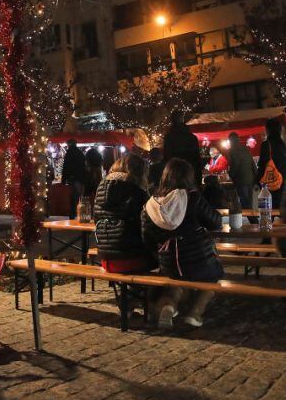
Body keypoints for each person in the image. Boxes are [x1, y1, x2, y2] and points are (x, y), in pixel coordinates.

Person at [141, 158, 223, 329]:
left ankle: (168, 307)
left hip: (169, 261)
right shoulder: (192, 198)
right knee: (213, 279)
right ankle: (195, 314)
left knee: (176, 282)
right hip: (199, 260)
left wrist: (160, 255)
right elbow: (215, 222)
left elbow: (147, 238)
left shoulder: (151, 205)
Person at [94, 155, 152, 274]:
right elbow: (145, 226)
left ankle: (135, 292)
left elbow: (96, 219)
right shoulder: (136, 192)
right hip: (130, 259)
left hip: (106, 259)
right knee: (164, 260)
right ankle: (145, 292)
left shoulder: (100, 189)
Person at [257, 117, 286, 208]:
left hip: (270, 182)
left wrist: (257, 181)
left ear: (268, 130)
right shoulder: (283, 145)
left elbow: (262, 165)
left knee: (269, 209)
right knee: (281, 209)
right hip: (283, 182)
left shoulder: (266, 145)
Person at [227, 131, 257, 209]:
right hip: (250, 178)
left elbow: (235, 165)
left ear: (231, 140)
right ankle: (254, 220)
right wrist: (255, 178)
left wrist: (229, 175)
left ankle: (253, 220)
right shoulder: (245, 148)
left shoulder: (233, 150)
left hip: (241, 179)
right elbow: (252, 163)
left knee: (245, 203)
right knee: (249, 202)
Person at [60, 139, 87, 219]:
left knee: (74, 196)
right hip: (80, 178)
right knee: (80, 196)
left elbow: (66, 167)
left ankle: (73, 213)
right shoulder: (80, 153)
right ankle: (82, 214)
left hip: (73, 178)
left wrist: (63, 179)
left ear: (69, 144)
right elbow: (83, 167)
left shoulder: (69, 153)